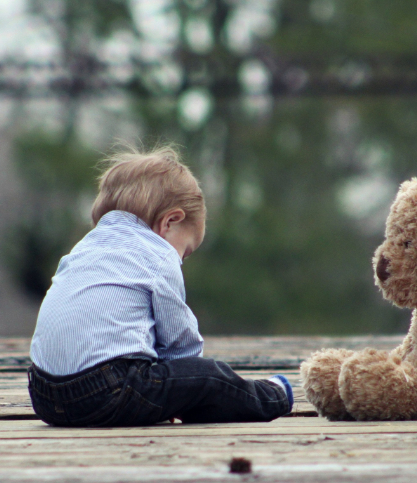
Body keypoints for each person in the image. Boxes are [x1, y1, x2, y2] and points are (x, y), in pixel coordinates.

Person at [27, 145, 293, 427]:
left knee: (171, 383)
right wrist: (188, 384)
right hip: (106, 392)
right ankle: (273, 395)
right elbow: (180, 344)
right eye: (186, 251)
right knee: (211, 377)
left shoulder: (83, 248)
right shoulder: (158, 254)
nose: (181, 260)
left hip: (44, 396)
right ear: (170, 221)